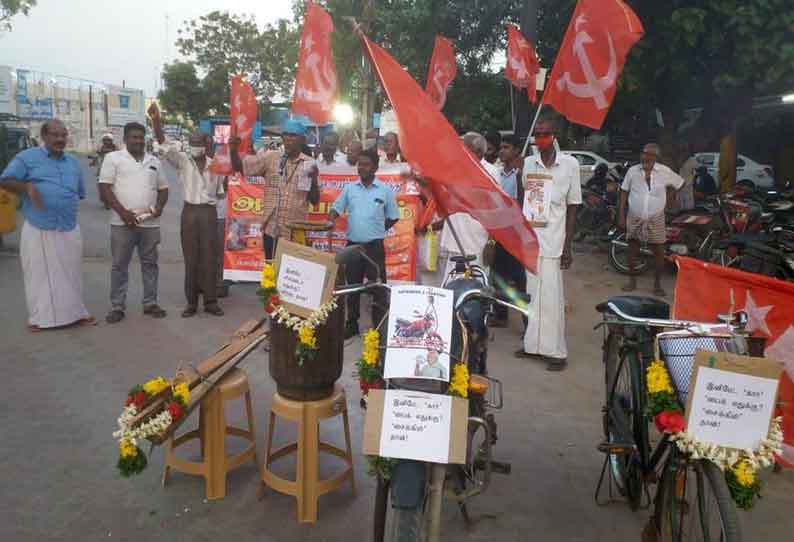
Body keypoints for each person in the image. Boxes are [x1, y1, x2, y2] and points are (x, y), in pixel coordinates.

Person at [0, 119, 95, 331]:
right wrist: (27, 187)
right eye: (55, 135)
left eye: (63, 135)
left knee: (71, 273)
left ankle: (75, 314)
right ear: (44, 137)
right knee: (41, 276)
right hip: (40, 226)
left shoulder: (72, 162)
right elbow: (5, 180)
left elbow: (79, 192)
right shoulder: (27, 158)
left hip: (68, 226)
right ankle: (41, 320)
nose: (60, 139)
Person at [515, 114, 581, 371]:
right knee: (532, 295)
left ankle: (556, 352)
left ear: (554, 136)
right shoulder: (529, 163)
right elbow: (524, 201)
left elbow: (573, 206)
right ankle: (533, 345)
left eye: (544, 134)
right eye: (537, 134)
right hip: (531, 240)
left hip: (555, 241)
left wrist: (568, 246)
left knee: (552, 298)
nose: (540, 138)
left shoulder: (570, 165)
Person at [149, 103, 225, 317]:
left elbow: (220, 194)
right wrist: (156, 121)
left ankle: (210, 301)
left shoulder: (216, 165)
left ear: (206, 143)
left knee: (210, 257)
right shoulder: (182, 161)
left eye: (198, 143)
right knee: (191, 257)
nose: (194, 146)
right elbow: (163, 143)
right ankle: (191, 302)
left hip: (209, 213)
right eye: (191, 143)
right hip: (190, 212)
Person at [98, 122, 169, 323]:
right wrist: (123, 213)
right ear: (125, 139)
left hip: (150, 225)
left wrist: (160, 208)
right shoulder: (113, 158)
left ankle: (150, 303)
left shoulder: (154, 161)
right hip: (122, 224)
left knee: (150, 264)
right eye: (134, 137)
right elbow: (105, 188)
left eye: (140, 137)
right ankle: (117, 306)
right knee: (120, 265)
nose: (138, 141)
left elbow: (163, 189)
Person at [328, 148, 400, 339]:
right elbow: (336, 208)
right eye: (360, 164)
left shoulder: (385, 191)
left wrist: (377, 229)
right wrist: (331, 219)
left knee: (378, 288)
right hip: (353, 247)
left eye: (366, 164)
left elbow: (394, 217)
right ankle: (351, 325)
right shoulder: (350, 189)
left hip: (374, 247)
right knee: (352, 287)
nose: (362, 167)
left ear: (375, 167)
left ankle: (380, 326)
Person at [229, 118, 320, 259]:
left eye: (293, 135)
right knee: (271, 271)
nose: (288, 139)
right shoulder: (271, 157)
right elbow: (240, 168)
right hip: (272, 228)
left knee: (292, 274)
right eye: (286, 135)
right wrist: (233, 150)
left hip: (295, 231)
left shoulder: (309, 164)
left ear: (302, 140)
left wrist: (313, 181)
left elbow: (314, 201)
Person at [619, 143, 684, 297]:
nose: (645, 157)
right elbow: (623, 192)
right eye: (643, 153)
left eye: (649, 154)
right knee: (632, 250)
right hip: (635, 216)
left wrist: (670, 197)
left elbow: (680, 183)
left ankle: (657, 284)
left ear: (656, 157)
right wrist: (621, 214)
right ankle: (632, 281)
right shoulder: (632, 171)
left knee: (659, 252)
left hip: (656, 217)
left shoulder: (664, 171)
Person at [433, 132, 495, 284]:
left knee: (475, 288)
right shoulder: (453, 169)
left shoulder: (491, 172)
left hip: (476, 242)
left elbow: (496, 213)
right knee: (451, 286)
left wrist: (491, 242)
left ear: (479, 152)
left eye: (465, 149)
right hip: (454, 239)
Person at [490, 134, 525, 327]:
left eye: (506, 148)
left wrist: (520, 178)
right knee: (498, 273)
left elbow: (522, 203)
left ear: (516, 151)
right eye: (501, 147)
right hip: (500, 231)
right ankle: (501, 314)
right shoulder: (497, 173)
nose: (502, 151)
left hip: (516, 233)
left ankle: (526, 318)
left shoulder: (522, 173)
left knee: (519, 276)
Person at [91, 133, 118, 209]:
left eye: (108, 140)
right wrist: (93, 162)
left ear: (111, 141)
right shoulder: (101, 148)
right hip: (102, 169)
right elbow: (97, 156)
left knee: (113, 186)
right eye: (105, 140)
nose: (106, 142)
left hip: (113, 169)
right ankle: (105, 200)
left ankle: (112, 200)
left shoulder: (115, 148)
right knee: (101, 186)